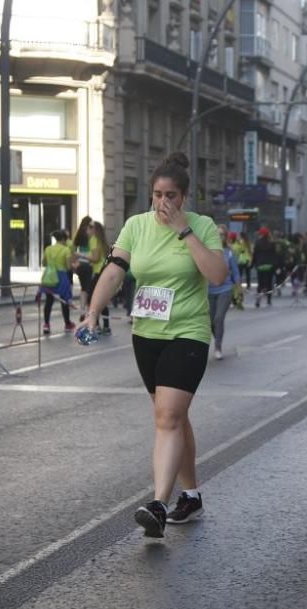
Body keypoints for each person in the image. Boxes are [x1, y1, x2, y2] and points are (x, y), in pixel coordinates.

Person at [78, 152, 227, 538]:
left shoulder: (202, 226)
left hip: (188, 333)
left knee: (168, 418)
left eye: (172, 195)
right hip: (147, 334)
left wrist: (185, 232)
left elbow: (216, 275)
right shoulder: (135, 226)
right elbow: (114, 272)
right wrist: (94, 311)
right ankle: (190, 496)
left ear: (185, 196)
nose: (164, 202)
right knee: (171, 418)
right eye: (158, 194)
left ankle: (159, 503)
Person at [208, 224, 240, 360]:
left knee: (219, 318)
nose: (219, 237)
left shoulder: (229, 252)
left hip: (225, 289)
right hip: (209, 290)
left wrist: (238, 289)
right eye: (217, 234)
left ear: (225, 237)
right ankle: (218, 337)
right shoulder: (207, 251)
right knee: (210, 322)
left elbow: (236, 272)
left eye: (222, 234)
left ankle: (218, 346)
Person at [40, 230, 76, 335]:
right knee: (64, 300)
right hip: (62, 276)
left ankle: (46, 324)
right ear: (64, 239)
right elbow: (69, 267)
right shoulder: (66, 250)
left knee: (49, 301)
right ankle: (67, 323)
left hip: (50, 276)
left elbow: (43, 263)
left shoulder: (48, 249)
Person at [72, 217, 102, 313]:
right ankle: (90, 312)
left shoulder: (78, 235)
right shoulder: (92, 237)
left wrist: (75, 262)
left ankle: (82, 309)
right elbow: (94, 255)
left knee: (83, 288)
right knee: (90, 289)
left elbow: (74, 250)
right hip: (89, 263)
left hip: (80, 265)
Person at [91, 221, 112, 335]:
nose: (88, 230)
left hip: (98, 272)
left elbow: (95, 258)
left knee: (93, 298)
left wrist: (81, 256)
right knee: (103, 299)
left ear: (95, 230)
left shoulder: (94, 240)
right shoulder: (104, 241)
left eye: (90, 227)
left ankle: (96, 325)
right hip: (104, 272)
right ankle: (106, 326)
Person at [252, 226, 278, 307]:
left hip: (260, 266)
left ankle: (258, 300)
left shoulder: (257, 243)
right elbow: (274, 255)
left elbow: (255, 255)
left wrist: (253, 264)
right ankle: (269, 300)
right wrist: (275, 266)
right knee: (269, 283)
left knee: (260, 283)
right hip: (269, 266)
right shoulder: (272, 243)